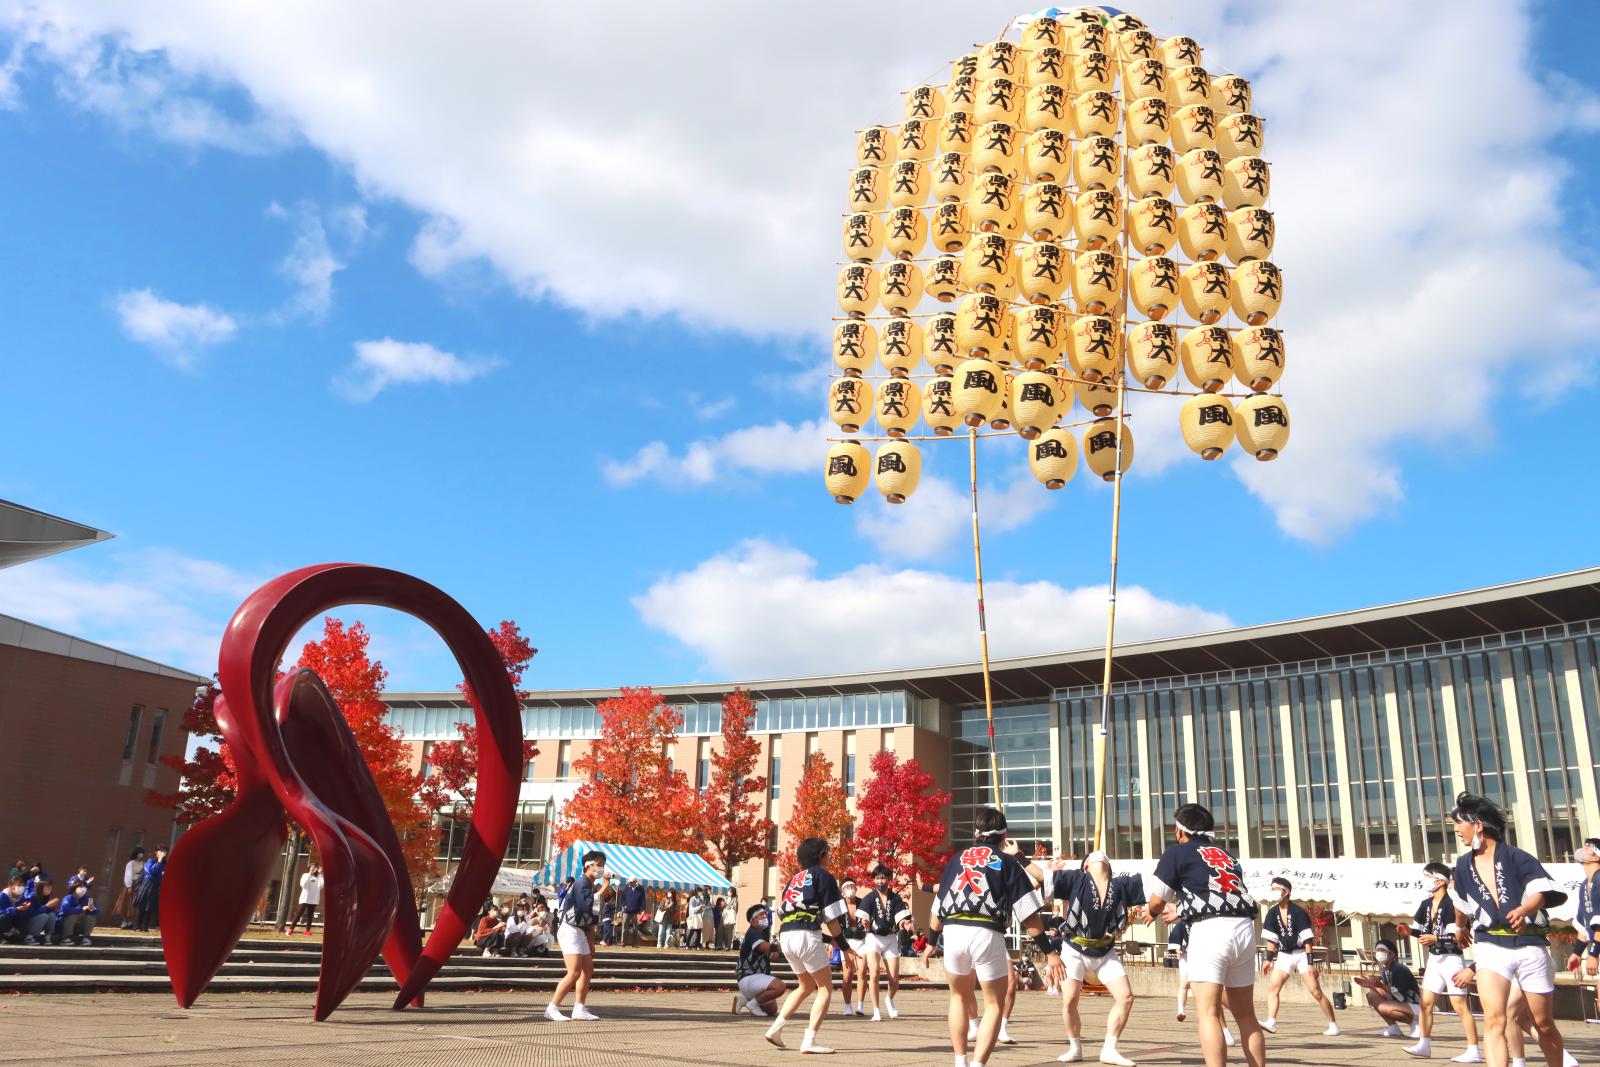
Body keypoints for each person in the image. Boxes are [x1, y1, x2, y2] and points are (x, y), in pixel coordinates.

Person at [931, 807, 1065, 1067]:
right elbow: (1029, 916)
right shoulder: (1006, 862)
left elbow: (937, 910)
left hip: (952, 931)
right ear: (1004, 836)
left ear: (976, 833)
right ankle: (978, 1064)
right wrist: (1049, 952)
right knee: (993, 1004)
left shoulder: (956, 860)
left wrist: (930, 941)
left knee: (957, 997)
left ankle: (960, 1061)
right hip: (986, 931)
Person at [1448, 793, 1566, 1067]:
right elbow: (1461, 903)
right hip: (1490, 945)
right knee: (1494, 1020)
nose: (1456, 830)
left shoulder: (1517, 856)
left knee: (1543, 1023)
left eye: (1459, 823)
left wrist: (1524, 910)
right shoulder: (1463, 865)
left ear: (1478, 825)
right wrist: (1460, 927)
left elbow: (1540, 891)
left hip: (1529, 945)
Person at [1145, 803, 1263, 1067]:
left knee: (1208, 1013)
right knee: (1246, 1016)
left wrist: (1152, 912)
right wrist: (1181, 908)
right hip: (1244, 928)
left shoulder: (1176, 852)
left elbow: (1157, 900)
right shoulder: (1226, 855)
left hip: (1210, 931)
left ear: (1179, 831)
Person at [764, 836, 860, 1054]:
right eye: (828, 853)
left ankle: (775, 1029)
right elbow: (832, 920)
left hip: (786, 936)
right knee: (825, 988)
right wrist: (845, 947)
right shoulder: (824, 876)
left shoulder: (793, 879)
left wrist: (827, 940)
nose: (830, 857)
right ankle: (809, 1041)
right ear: (822, 855)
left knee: (806, 985)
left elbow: (793, 915)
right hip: (806, 935)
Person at [1042, 850, 1140, 1065]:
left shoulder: (1120, 884)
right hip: (1074, 949)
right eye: (1092, 858)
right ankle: (1075, 1047)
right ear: (1086, 866)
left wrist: (1157, 908)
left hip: (1105, 951)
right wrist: (1021, 858)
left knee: (1126, 998)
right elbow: (1040, 878)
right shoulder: (1076, 879)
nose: (1099, 856)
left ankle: (1109, 1049)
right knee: (1070, 999)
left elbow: (1159, 884)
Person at [1404, 861, 1482, 1062]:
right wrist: (1409, 931)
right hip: (1434, 958)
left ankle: (1474, 1049)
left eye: (1428, 877)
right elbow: (1421, 932)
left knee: (1459, 1005)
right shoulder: (1426, 904)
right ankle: (1424, 1044)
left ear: (1440, 881)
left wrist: (1435, 938)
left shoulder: (1452, 903)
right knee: (1425, 1003)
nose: (1425, 881)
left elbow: (1458, 937)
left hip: (1452, 959)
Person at [1259, 877, 1339, 1037]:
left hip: (1301, 953)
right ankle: (1271, 1021)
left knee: (1316, 991)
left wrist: (1310, 963)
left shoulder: (1298, 912)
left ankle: (1333, 1024)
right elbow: (1271, 940)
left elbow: (1307, 939)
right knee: (1273, 988)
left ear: (1286, 892)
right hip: (1284, 954)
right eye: (1272, 889)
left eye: (1277, 889)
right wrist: (1268, 959)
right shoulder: (1272, 913)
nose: (1274, 892)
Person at [545, 849, 611, 1022]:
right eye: (599, 865)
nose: (601, 869)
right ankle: (552, 1008)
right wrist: (604, 887)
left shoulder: (589, 885)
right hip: (570, 930)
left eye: (603, 865)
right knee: (574, 972)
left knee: (587, 969)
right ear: (588, 866)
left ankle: (579, 1008)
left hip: (580, 931)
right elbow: (587, 906)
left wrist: (591, 941)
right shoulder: (581, 883)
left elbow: (591, 917)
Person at [1171, 917, 1239, 1047]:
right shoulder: (1184, 924)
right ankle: (1220, 1033)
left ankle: (1229, 1026)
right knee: (1202, 1001)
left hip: (1209, 959)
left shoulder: (1209, 921)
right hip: (1191, 959)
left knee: (1215, 997)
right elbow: (1176, 937)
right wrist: (1177, 949)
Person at [859, 864, 913, 1021]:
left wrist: (905, 924)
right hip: (873, 938)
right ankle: (876, 1010)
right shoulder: (869, 898)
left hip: (890, 938)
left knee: (894, 979)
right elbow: (863, 917)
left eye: (882, 878)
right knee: (874, 973)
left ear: (888, 879)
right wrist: (864, 922)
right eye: (877, 878)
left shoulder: (895, 898)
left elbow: (901, 919)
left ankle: (889, 998)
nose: (880, 881)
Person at [1565, 838, 1600, 1025]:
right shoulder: (1585, 884)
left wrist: (1593, 953)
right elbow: (1584, 923)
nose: (1582, 849)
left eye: (1588, 848)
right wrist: (1577, 953)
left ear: (1596, 856)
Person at [1355, 939, 1422, 1037]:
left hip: (1415, 1006)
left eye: (1382, 950)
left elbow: (1399, 994)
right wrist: (1371, 986)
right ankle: (1393, 1028)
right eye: (1377, 950)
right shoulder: (1385, 970)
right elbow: (1388, 995)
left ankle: (1416, 1025)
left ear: (1391, 954)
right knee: (1372, 995)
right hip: (1402, 1003)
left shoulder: (1399, 969)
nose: (1378, 953)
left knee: (1383, 1007)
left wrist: (1381, 985)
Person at [734, 903, 788, 1017]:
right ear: (753, 920)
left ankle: (744, 999)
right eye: (762, 914)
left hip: (755, 981)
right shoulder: (752, 933)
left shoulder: (761, 935)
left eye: (765, 914)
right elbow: (762, 947)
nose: (765, 916)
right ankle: (753, 1004)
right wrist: (779, 946)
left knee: (772, 1010)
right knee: (780, 987)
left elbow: (772, 956)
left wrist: (788, 953)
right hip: (748, 977)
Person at [838, 878, 869, 1017]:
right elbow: (834, 925)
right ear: (842, 891)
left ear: (856, 889)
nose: (850, 888)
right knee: (848, 974)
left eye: (852, 886)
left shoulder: (863, 903)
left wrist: (867, 922)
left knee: (862, 972)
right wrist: (832, 944)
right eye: (847, 886)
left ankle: (860, 1005)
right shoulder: (839, 906)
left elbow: (869, 918)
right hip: (846, 941)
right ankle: (847, 1005)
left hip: (862, 940)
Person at [18, 875, 61, 945]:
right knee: (44, 916)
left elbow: (52, 912)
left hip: (39, 923)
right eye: (47, 888)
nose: (49, 890)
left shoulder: (47, 897)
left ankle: (47, 937)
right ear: (40, 888)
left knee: (52, 915)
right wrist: (46, 907)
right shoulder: (31, 897)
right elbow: (31, 913)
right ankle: (29, 937)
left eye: (50, 888)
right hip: (27, 923)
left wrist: (51, 908)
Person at [132, 846, 167, 932]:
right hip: (147, 885)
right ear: (156, 852)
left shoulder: (164, 864)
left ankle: (145, 926)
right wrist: (159, 861)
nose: (163, 853)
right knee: (142, 906)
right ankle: (137, 925)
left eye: (165, 851)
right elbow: (152, 871)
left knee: (150, 907)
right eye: (161, 851)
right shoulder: (150, 861)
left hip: (156, 886)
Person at [57, 877, 99, 945]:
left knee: (91, 916)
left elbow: (97, 911)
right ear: (74, 889)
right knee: (72, 915)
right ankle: (65, 938)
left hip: (77, 927)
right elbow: (65, 910)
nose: (83, 889)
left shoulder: (87, 898)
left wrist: (93, 909)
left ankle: (86, 938)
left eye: (84, 887)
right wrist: (81, 909)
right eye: (80, 887)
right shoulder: (68, 898)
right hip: (63, 925)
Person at [288, 863, 322, 935]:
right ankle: (290, 929)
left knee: (310, 915)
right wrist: (310, 874)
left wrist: (320, 874)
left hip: (314, 899)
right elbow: (303, 884)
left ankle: (307, 931)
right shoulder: (305, 875)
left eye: (315, 868)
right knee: (299, 914)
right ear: (309, 868)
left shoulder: (318, 877)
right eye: (312, 867)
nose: (314, 869)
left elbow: (321, 885)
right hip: (305, 898)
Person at [114, 847, 145, 928]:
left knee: (134, 905)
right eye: (139, 852)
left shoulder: (144, 864)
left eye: (142, 853)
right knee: (126, 903)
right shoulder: (130, 863)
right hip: (131, 885)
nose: (141, 854)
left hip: (139, 886)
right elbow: (128, 875)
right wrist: (129, 886)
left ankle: (131, 922)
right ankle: (124, 921)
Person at [619, 878, 646, 948]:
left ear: (635, 882)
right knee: (624, 927)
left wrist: (643, 909)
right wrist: (624, 905)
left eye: (631, 882)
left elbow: (643, 900)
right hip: (626, 911)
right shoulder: (626, 888)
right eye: (629, 882)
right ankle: (623, 942)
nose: (630, 883)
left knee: (635, 928)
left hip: (635, 911)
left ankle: (634, 943)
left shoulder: (640, 889)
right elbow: (622, 898)